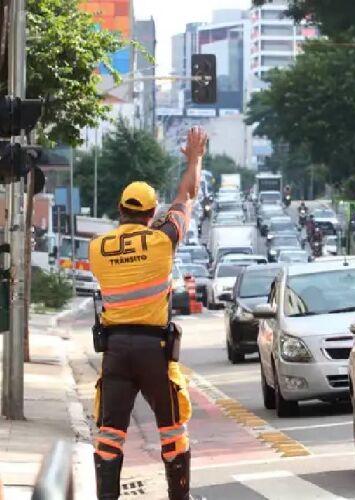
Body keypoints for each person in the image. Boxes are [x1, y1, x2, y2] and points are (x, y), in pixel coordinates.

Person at [89, 127, 208, 500]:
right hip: (154, 350)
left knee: (109, 436)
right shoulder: (162, 241)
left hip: (116, 353)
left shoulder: (97, 249)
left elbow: (127, 239)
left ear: (120, 209)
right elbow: (186, 196)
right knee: (173, 432)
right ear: (152, 213)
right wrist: (194, 160)